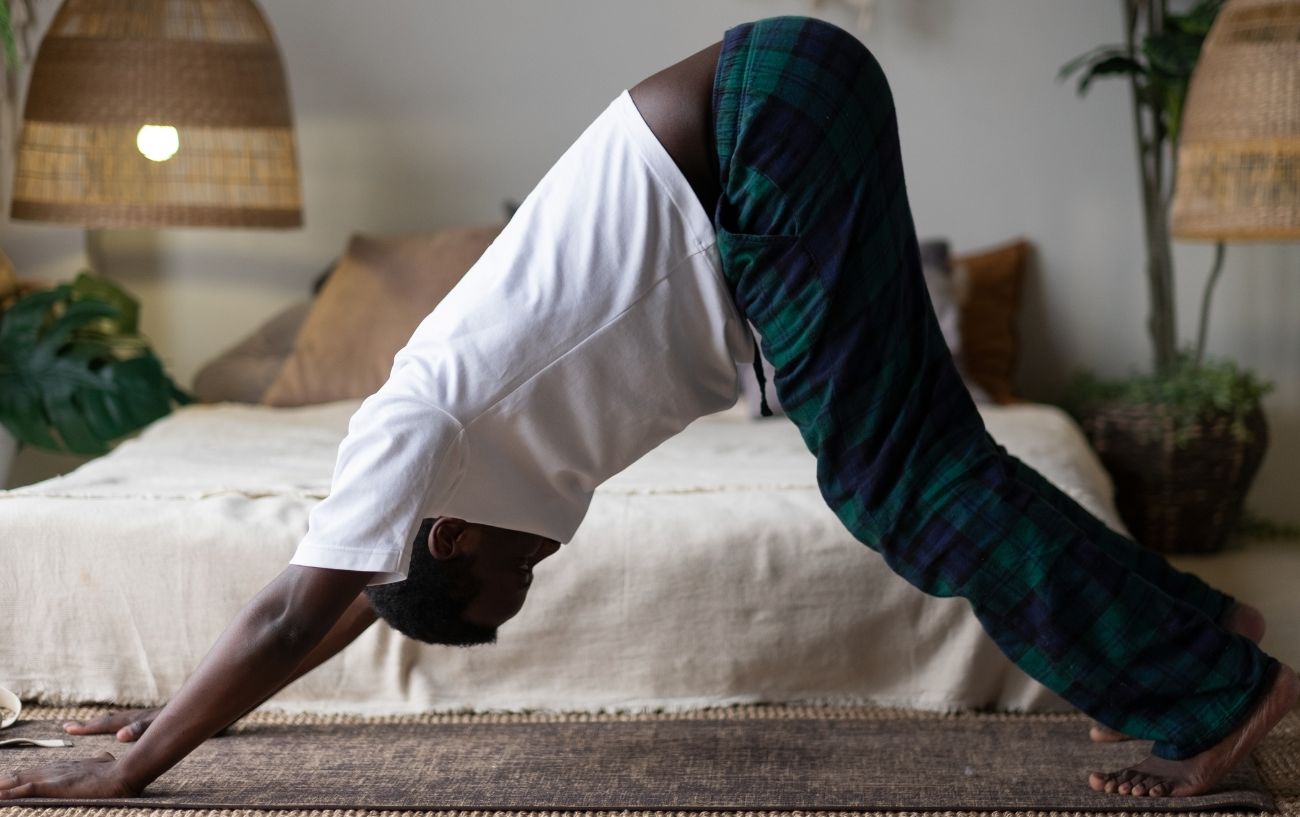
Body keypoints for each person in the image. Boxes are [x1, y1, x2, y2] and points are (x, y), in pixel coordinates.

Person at [1, 16, 1294, 803]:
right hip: (785, 103)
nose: (544, 555)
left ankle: (1218, 691)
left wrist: (135, 762)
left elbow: (297, 601)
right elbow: (346, 613)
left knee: (898, 490)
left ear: (449, 534)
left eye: (514, 572)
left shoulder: (411, 422)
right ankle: (1198, 637)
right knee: (929, 467)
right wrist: (177, 706)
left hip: (761, 130)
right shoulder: (470, 485)